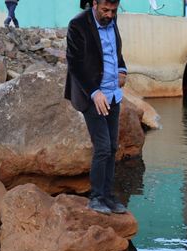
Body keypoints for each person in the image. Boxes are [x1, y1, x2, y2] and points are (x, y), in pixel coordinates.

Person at [64, 0, 128, 215]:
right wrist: (94, 92)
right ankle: (96, 198)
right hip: (92, 95)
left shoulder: (112, 18)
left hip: (113, 94)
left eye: (113, 10)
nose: (109, 15)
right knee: (102, 147)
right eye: (105, 10)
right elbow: (74, 63)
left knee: (112, 147)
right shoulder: (78, 24)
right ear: (94, 4)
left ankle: (108, 196)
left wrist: (122, 69)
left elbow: (115, 51)